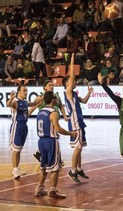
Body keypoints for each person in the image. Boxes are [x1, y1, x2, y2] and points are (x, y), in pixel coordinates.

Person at [34, 91, 77, 199]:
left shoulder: (40, 112)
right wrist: (71, 133)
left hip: (41, 141)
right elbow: (58, 129)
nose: (57, 100)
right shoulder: (53, 113)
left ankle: (39, 188)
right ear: (53, 100)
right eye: (56, 98)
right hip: (51, 141)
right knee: (55, 168)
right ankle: (52, 190)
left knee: (43, 166)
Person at [63, 54, 93, 183]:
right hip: (74, 123)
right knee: (78, 147)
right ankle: (73, 170)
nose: (74, 81)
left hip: (80, 121)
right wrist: (72, 61)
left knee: (80, 146)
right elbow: (72, 75)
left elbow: (84, 101)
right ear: (67, 84)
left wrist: (89, 93)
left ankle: (79, 168)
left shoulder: (74, 93)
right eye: (71, 81)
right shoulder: (68, 92)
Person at [6, 85, 41, 179]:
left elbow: (33, 103)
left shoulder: (25, 102)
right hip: (16, 126)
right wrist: (10, 98)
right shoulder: (15, 102)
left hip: (24, 126)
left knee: (19, 149)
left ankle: (17, 168)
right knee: (15, 150)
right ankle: (14, 170)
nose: (26, 92)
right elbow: (8, 105)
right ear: (19, 92)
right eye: (24, 90)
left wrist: (43, 97)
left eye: (27, 90)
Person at [32, 80, 69, 162]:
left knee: (53, 138)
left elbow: (61, 106)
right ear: (45, 88)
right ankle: (55, 158)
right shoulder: (41, 97)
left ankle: (40, 153)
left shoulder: (56, 96)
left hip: (55, 120)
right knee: (52, 138)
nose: (52, 86)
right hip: (46, 122)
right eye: (50, 85)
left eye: (52, 85)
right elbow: (35, 102)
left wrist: (65, 116)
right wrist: (45, 96)